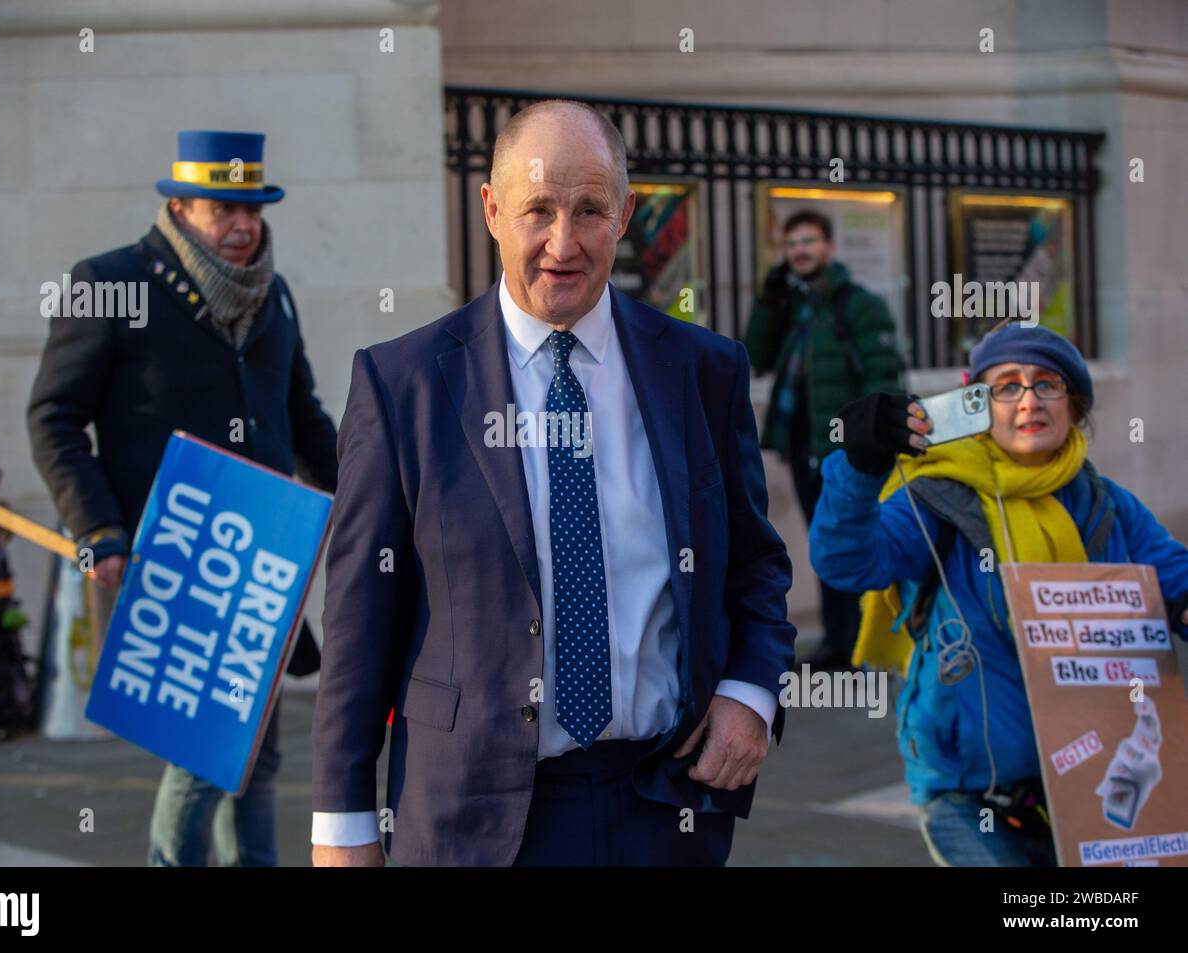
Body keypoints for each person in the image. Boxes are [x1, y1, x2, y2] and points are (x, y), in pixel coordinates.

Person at [311, 100, 796, 867]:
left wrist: (751, 692)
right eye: (537, 210)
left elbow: (755, 564)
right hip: (467, 822)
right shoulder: (402, 383)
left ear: (627, 214)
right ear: (492, 210)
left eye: (589, 210)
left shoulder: (701, 370)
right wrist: (342, 825)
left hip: (664, 809)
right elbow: (358, 626)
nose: (562, 244)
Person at [26, 131, 338, 866]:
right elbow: (53, 420)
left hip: (261, 560)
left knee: (254, 754)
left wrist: (362, 490)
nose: (243, 226)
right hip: (173, 553)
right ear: (179, 206)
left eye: (253, 209)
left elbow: (304, 418)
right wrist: (98, 526)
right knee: (206, 753)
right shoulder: (110, 281)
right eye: (223, 208)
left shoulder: (273, 293)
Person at [809, 320, 1188, 866]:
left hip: (1093, 780)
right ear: (980, 404)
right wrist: (860, 465)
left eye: (1046, 384)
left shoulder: (1108, 504)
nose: (1028, 400)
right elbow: (847, 561)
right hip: (970, 790)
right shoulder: (937, 497)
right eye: (1006, 385)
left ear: (1075, 405)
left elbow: (1174, 580)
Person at [745, 210, 905, 670]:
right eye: (792, 243)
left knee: (846, 541)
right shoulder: (795, 307)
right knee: (824, 544)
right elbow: (755, 354)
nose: (800, 251)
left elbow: (882, 381)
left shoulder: (858, 305)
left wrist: (865, 447)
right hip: (802, 445)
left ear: (830, 249)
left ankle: (855, 646)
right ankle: (841, 643)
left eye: (809, 242)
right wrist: (767, 302)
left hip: (843, 454)